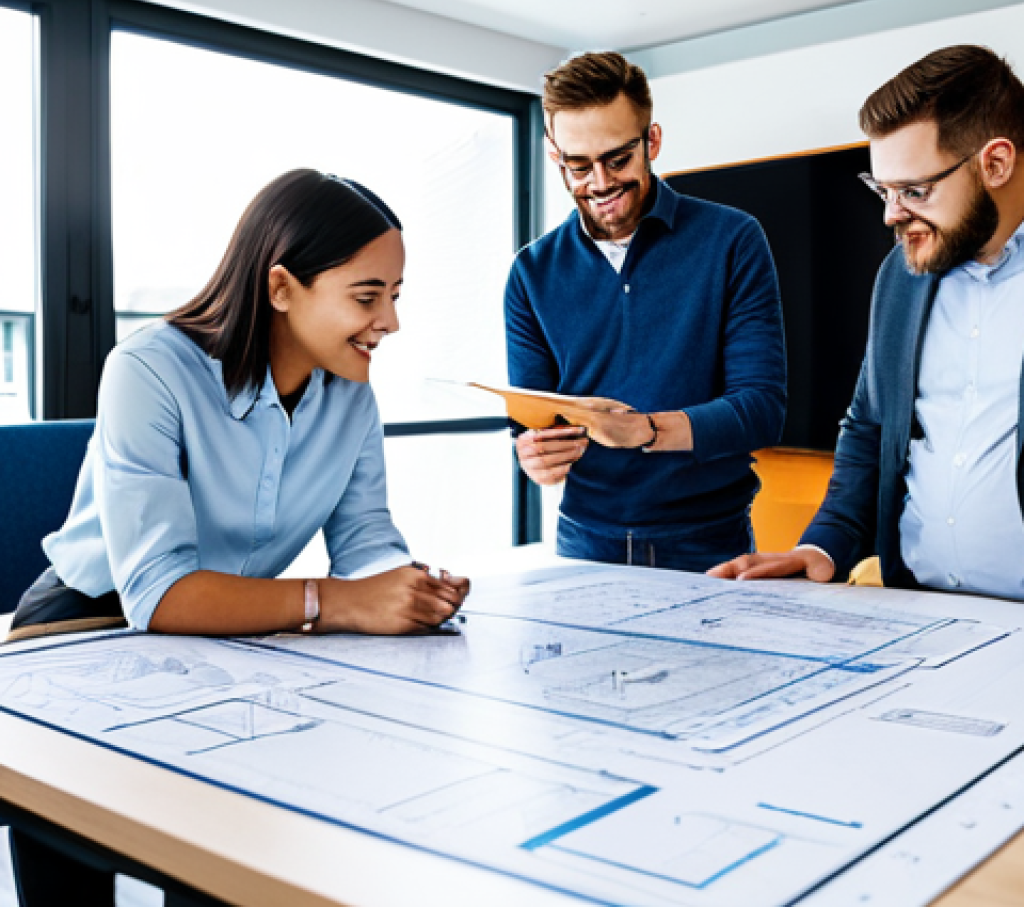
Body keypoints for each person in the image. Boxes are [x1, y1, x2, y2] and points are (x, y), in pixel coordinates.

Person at [7, 168, 470, 906]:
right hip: (85, 629)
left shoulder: (350, 395)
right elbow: (156, 594)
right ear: (282, 287)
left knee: (228, 857)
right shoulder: (148, 368)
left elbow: (367, 539)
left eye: (395, 295)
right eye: (366, 295)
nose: (390, 322)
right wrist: (342, 602)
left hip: (241, 635)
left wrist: (404, 590)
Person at [710, 45, 1024, 594]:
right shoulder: (901, 276)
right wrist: (823, 544)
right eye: (882, 190)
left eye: (914, 191)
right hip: (923, 615)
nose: (891, 214)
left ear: (995, 163)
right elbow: (869, 427)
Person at [505, 51, 786, 571]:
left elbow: (761, 409)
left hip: (710, 541)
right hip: (584, 543)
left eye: (618, 159)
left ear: (651, 142)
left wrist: (647, 429)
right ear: (553, 155)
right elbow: (532, 422)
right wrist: (535, 456)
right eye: (578, 165)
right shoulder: (531, 272)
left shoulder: (733, 240)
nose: (600, 183)